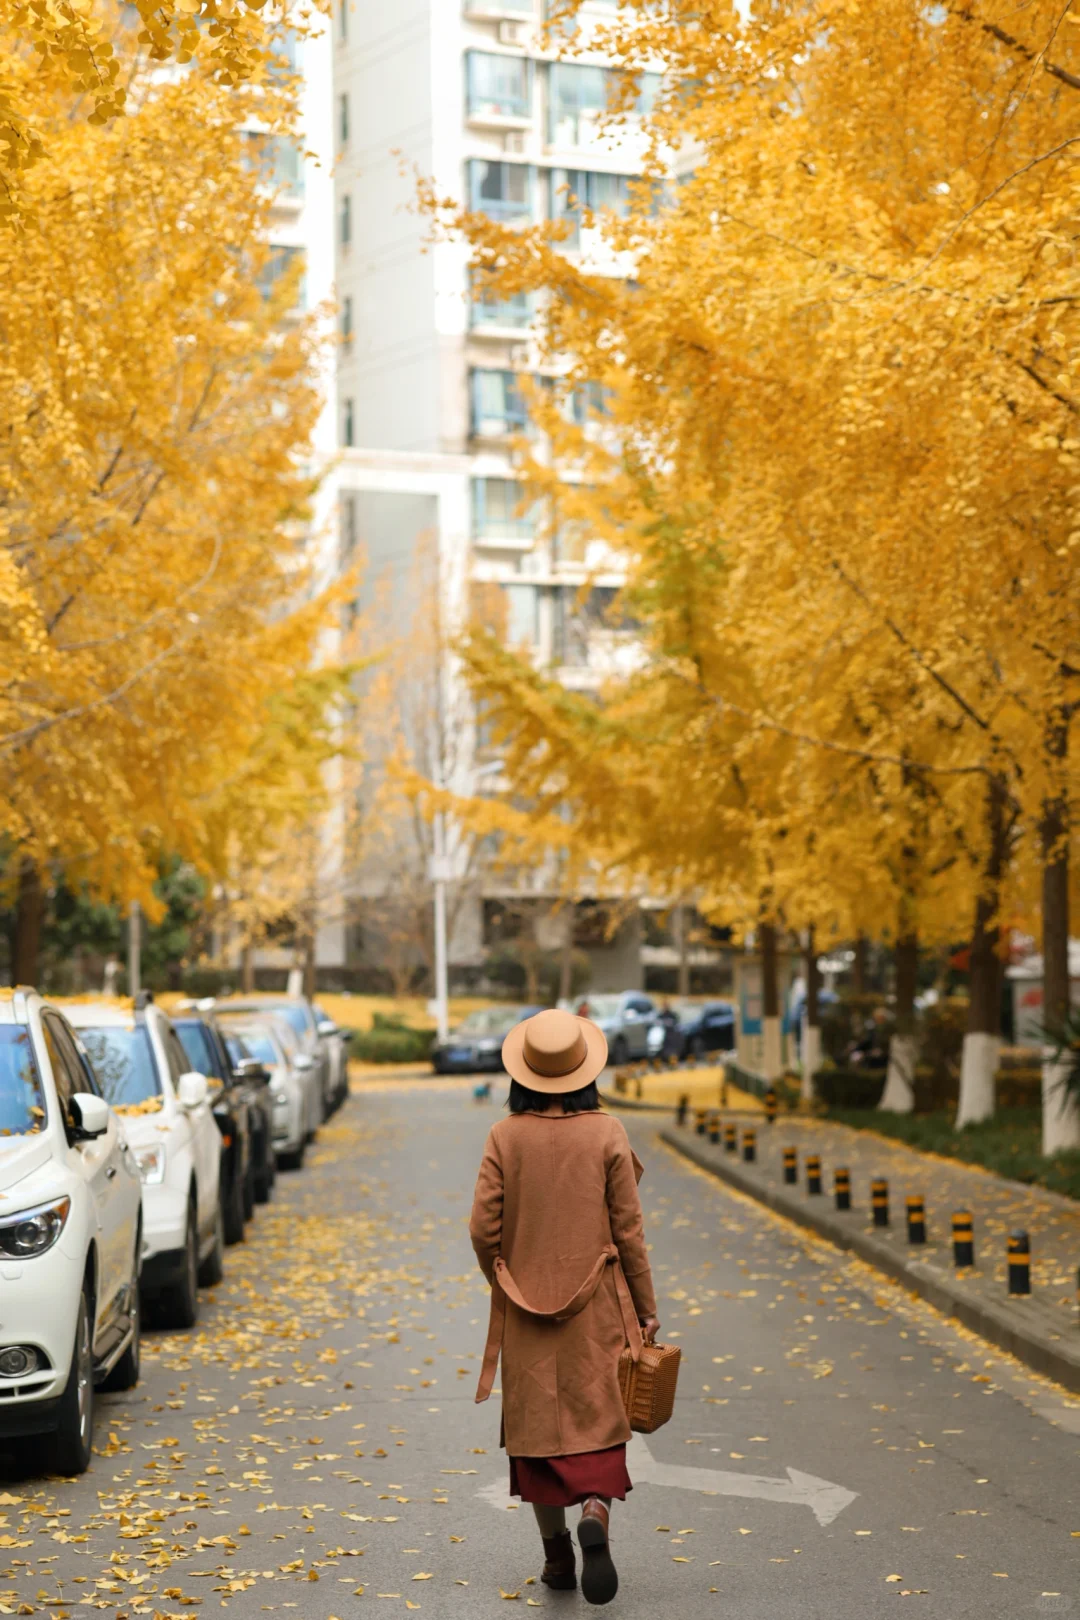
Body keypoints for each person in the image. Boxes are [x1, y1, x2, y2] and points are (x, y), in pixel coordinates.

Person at [469, 1007, 659, 1606]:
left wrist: (503, 1275)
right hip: (599, 1304)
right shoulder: (607, 1133)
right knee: (599, 1419)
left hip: (526, 1310)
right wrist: (646, 1307)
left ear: (523, 1074)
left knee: (538, 1437)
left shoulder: (505, 1135)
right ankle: (597, 1511)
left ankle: (557, 1561)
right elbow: (629, 1230)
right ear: (586, 1071)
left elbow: (482, 1228)